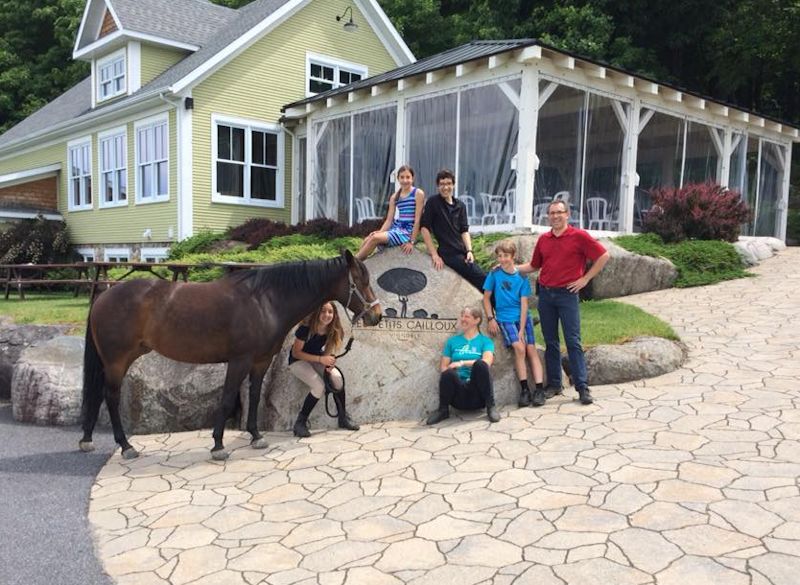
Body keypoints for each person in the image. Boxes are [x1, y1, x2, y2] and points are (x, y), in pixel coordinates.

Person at [517, 200, 610, 405]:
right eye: (552, 213)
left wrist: (585, 279)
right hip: (546, 296)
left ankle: (582, 387)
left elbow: (604, 255)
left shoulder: (579, 236)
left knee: (573, 341)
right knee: (551, 342)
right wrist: (511, 268)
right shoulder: (544, 239)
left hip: (568, 295)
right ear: (548, 216)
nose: (555, 216)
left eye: (559, 212)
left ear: (567, 214)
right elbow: (534, 265)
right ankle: (555, 385)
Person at [482, 240, 545, 408]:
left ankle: (539, 390)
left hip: (523, 318)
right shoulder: (494, 274)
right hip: (505, 318)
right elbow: (486, 298)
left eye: (506, 256)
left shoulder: (521, 278)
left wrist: (522, 328)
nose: (502, 259)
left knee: (531, 350)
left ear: (513, 256)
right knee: (519, 348)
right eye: (500, 256)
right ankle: (524, 389)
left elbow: (524, 305)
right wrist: (490, 318)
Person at [289, 302, 359, 437]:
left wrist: (329, 363)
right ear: (317, 313)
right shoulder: (305, 328)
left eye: (330, 312)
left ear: (334, 315)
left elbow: (326, 352)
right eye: (323, 311)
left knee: (337, 379)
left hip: (316, 358)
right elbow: (296, 353)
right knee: (319, 386)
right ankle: (300, 422)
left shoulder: (331, 330)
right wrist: (321, 360)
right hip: (298, 361)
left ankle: (343, 418)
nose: (327, 315)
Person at [426, 306, 500, 425]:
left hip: (478, 395)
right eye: (462, 316)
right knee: (447, 372)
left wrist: (461, 363)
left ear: (477, 320)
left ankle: (491, 407)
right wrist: (451, 372)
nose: (462, 319)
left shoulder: (485, 341)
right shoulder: (452, 341)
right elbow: (444, 367)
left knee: (480, 364)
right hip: (458, 394)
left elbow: (487, 362)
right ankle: (443, 410)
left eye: (467, 316)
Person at [420, 169, 487, 293]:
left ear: (453, 185)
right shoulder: (433, 202)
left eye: (449, 184)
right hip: (448, 254)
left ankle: (493, 308)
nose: (445, 187)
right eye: (442, 184)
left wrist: (469, 251)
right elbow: (424, 229)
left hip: (463, 254)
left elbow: (464, 230)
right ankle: (499, 308)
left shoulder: (460, 206)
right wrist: (434, 255)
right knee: (484, 279)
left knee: (480, 281)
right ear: (438, 186)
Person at [355, 165, 425, 260]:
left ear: (412, 178)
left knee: (375, 238)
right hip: (397, 227)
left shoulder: (418, 193)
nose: (405, 180)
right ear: (398, 179)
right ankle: (358, 262)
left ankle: (353, 263)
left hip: (407, 231)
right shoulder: (395, 197)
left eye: (408, 177)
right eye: (402, 177)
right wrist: (380, 232)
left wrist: (411, 241)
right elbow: (389, 220)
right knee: (369, 238)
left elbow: (417, 220)